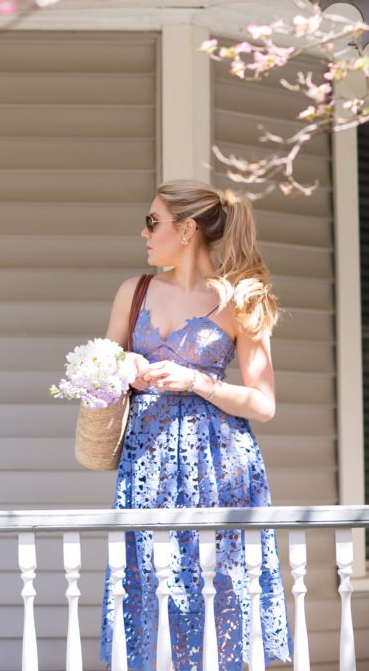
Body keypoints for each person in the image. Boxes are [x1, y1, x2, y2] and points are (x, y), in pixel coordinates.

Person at [99, 179, 291, 670]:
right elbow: (102, 374)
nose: (144, 233)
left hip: (218, 467)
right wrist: (125, 371)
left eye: (152, 222)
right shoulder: (134, 292)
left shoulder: (241, 300)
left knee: (219, 586)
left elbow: (263, 403)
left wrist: (196, 381)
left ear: (186, 231)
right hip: (147, 465)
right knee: (145, 581)